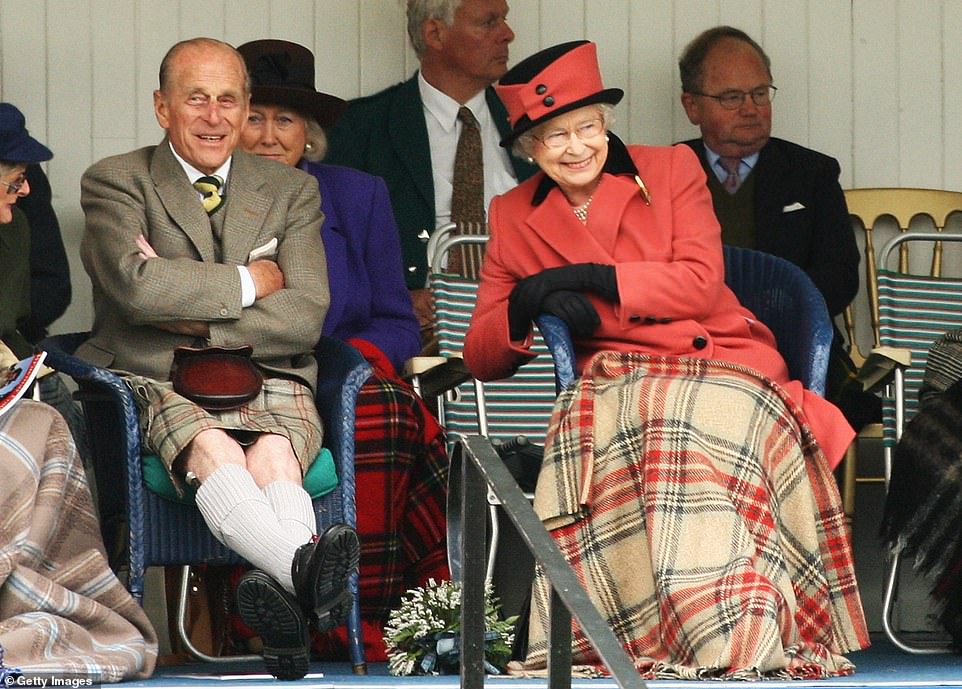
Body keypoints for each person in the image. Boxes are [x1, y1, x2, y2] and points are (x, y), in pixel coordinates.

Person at [463, 40, 869, 679]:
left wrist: (595, 284)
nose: (575, 148)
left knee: (677, 420)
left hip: (725, 364)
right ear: (528, 150)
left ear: (606, 124)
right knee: (627, 420)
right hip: (616, 379)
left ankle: (731, 638)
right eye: (553, 138)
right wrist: (523, 305)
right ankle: (634, 636)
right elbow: (481, 355)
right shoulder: (513, 214)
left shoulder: (672, 169)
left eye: (586, 128)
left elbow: (700, 284)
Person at [77, 37, 358, 681]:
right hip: (155, 373)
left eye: (228, 100)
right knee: (215, 449)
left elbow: (307, 312)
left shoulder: (289, 191)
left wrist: (178, 295)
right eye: (195, 99)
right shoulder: (117, 180)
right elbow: (136, 292)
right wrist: (251, 283)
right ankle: (308, 578)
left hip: (269, 372)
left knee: (275, 453)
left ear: (245, 105)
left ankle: (292, 599)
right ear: (161, 107)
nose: (213, 117)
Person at [237, 38, 450, 661]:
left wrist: (344, 362)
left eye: (286, 119)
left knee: (382, 410)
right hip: (246, 374)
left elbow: (396, 321)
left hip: (343, 371)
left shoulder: (359, 195)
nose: (270, 134)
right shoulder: (205, 199)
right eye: (255, 116)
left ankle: (378, 615)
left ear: (309, 132)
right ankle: (282, 617)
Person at [0, 102, 157, 683]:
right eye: (13, 182)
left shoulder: (10, 226)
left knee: (55, 413)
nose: (22, 195)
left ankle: (75, 585)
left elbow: (25, 307)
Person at [677, 26, 878, 431]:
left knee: (826, 411)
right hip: (693, 350)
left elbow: (840, 277)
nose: (751, 108)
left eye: (760, 93)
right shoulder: (664, 173)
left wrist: (771, 314)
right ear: (692, 106)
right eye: (732, 97)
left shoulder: (811, 173)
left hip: (795, 346)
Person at [325, 0, 537, 339]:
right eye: (488, 22)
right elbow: (330, 246)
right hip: (415, 335)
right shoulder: (358, 128)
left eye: (504, 20)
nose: (508, 34)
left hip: (525, 327)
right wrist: (392, 300)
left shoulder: (539, 128)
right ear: (435, 34)